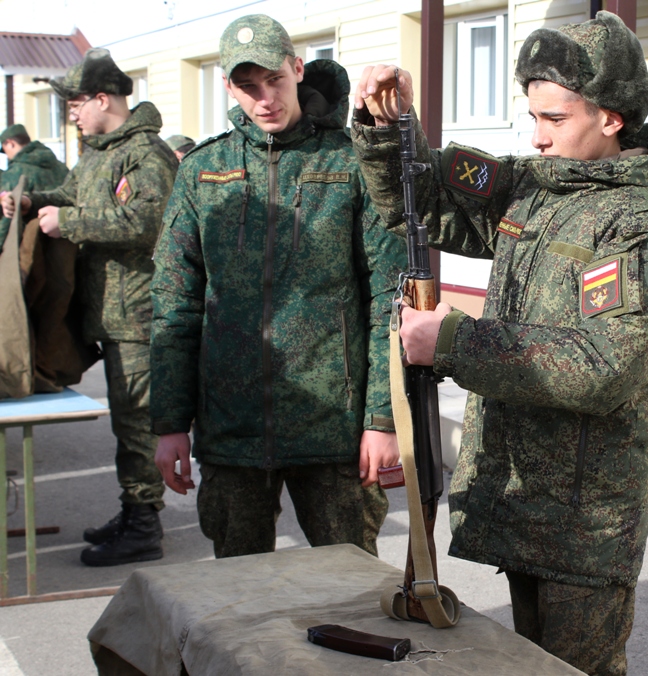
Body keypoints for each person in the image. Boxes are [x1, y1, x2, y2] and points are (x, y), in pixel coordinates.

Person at [353, 11, 648, 675]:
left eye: (554, 119)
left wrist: (452, 342)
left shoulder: (642, 228)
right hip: (523, 499)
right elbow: (423, 201)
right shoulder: (536, 189)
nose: (535, 136)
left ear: (611, 118)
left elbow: (604, 366)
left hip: (584, 524)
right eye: (531, 116)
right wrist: (388, 120)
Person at [149, 14, 405, 560]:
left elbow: (390, 297)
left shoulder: (350, 161)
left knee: (351, 596)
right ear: (228, 87)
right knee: (242, 605)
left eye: (275, 81)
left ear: (297, 68)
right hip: (231, 431)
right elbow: (175, 305)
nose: (265, 99)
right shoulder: (201, 171)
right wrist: (170, 423)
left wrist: (382, 420)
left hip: (332, 432)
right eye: (248, 86)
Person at [2, 49, 178, 567]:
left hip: (140, 316)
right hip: (111, 314)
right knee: (126, 423)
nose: (72, 114)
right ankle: (133, 510)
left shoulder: (146, 153)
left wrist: (71, 223)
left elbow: (151, 221)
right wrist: (33, 200)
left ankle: (144, 524)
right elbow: (72, 192)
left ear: (104, 99)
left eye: (75, 104)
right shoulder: (100, 152)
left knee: (139, 425)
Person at [0, 123, 69, 252]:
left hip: (32, 248)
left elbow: (8, 216)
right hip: (65, 245)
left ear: (10, 143)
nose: (7, 155)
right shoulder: (60, 166)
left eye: (5, 150)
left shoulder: (17, 171)